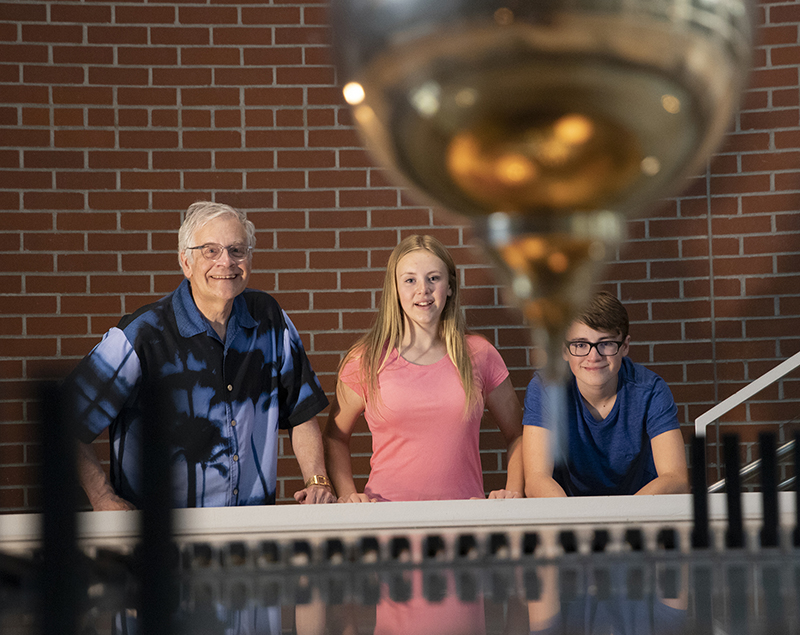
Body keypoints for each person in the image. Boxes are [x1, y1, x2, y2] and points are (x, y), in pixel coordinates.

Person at [67, 200, 336, 510]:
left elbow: (301, 412)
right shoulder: (142, 335)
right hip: (162, 541)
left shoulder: (270, 320)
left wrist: (318, 480)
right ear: (186, 262)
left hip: (249, 537)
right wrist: (102, 498)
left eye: (237, 250)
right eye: (210, 251)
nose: (226, 262)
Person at [324, 234, 524, 502]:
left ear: (450, 287)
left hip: (465, 523)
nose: (423, 290)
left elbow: (518, 434)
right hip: (387, 524)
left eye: (434, 278)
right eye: (410, 280)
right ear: (395, 289)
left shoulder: (479, 354)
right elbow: (334, 437)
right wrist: (348, 495)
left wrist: (513, 492)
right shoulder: (366, 359)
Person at [522, 291, 689, 497]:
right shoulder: (546, 387)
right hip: (568, 515)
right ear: (564, 350)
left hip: (639, 514)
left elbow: (676, 477)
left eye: (606, 343)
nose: (594, 356)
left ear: (624, 346)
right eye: (580, 344)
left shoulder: (651, 390)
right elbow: (536, 479)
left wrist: (623, 521)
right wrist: (575, 523)